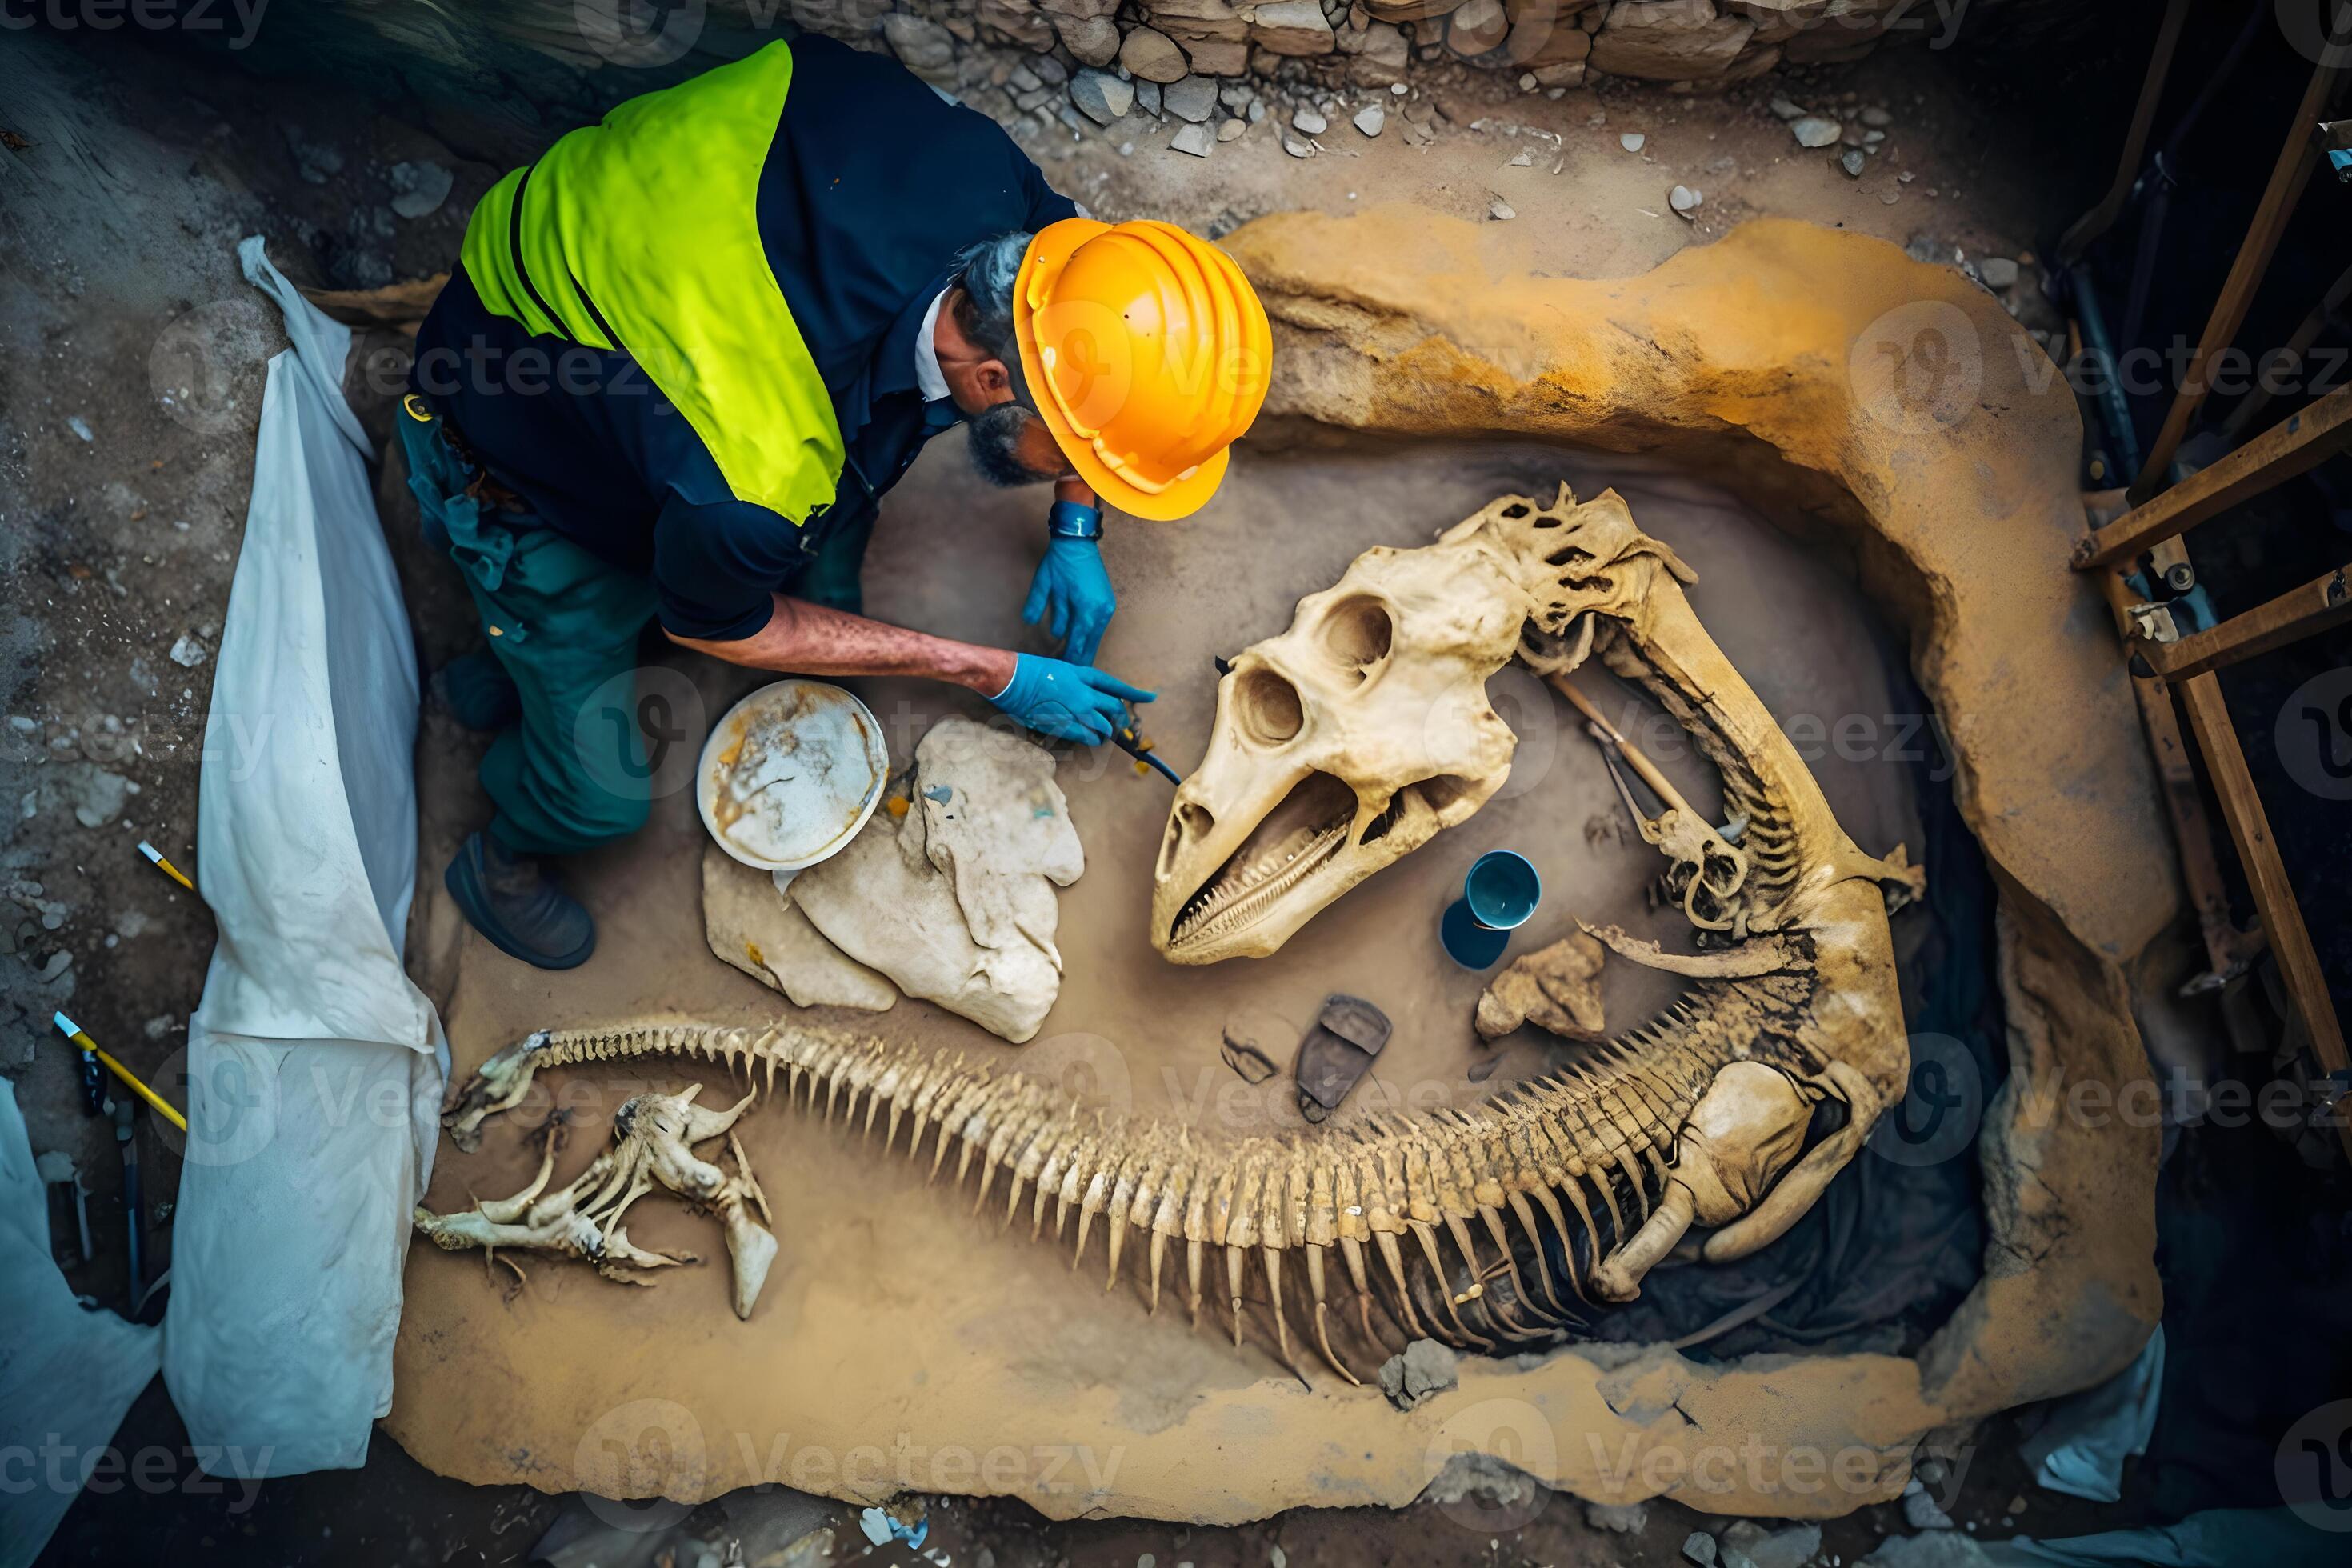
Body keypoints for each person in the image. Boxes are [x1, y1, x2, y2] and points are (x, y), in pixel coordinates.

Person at [400, 33, 1271, 970]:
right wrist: (992, 672)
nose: (1084, 477)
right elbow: (715, 624)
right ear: (990, 381)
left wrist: (1075, 520)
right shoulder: (760, 477)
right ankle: (504, 846)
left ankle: (517, 674)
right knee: (600, 786)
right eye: (1078, 460)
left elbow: (1086, 334)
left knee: (787, 548)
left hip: (647, 345)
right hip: (520, 455)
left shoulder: (991, 190)